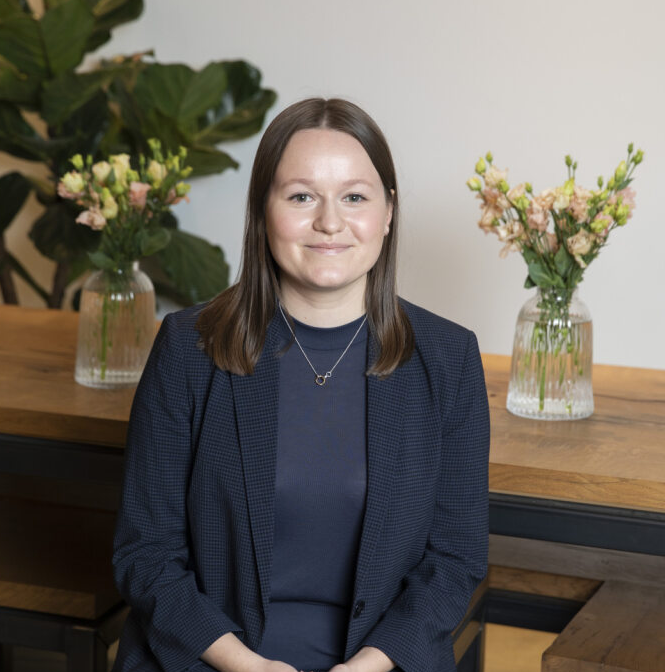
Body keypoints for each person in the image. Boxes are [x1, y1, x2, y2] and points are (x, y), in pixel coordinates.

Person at [111, 98, 490, 672]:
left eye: (355, 197)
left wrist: (368, 665)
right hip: (213, 661)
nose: (330, 223)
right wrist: (248, 666)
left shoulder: (448, 358)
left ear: (389, 212)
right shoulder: (189, 349)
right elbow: (146, 552)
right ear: (262, 210)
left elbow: (454, 560)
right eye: (301, 197)